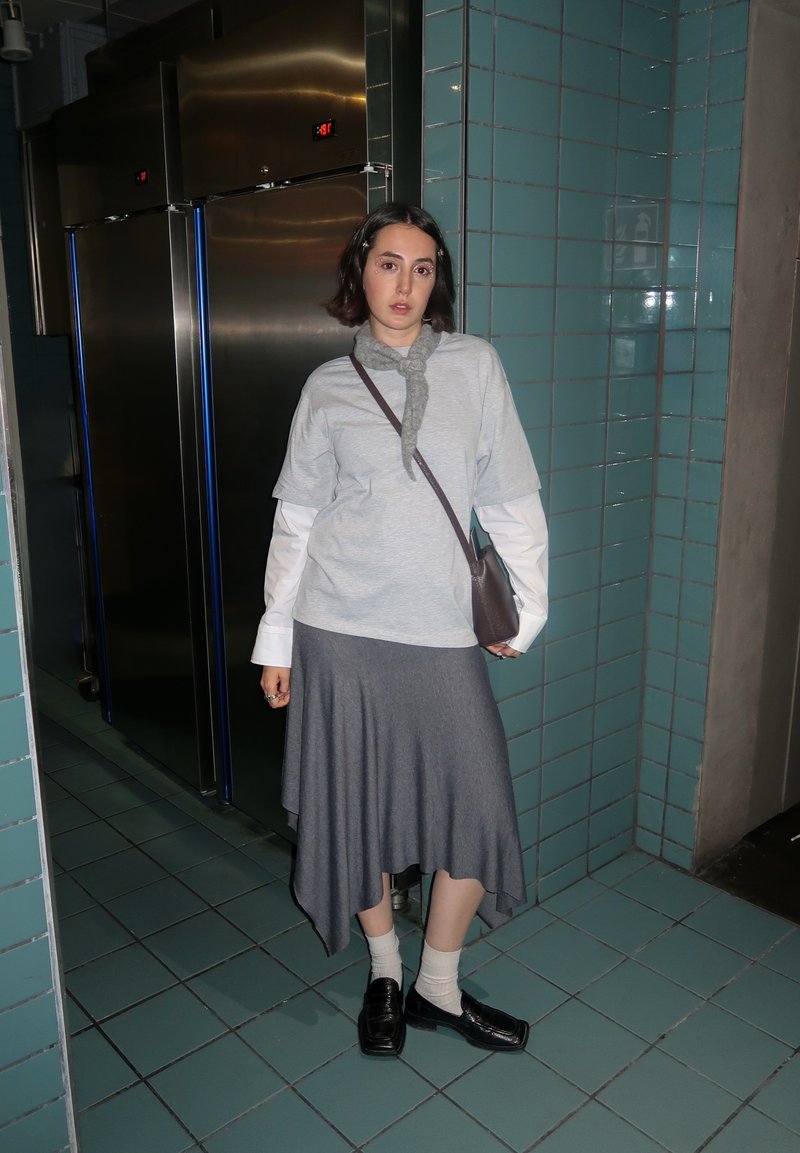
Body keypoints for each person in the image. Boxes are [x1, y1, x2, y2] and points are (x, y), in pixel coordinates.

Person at [251, 203, 548, 1058]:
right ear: (361, 272)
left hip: (441, 632)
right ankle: (388, 972)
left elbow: (511, 499)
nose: (404, 284)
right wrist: (278, 639)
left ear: (437, 281)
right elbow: (298, 521)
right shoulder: (327, 388)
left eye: (422, 268)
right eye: (388, 264)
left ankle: (439, 984)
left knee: (480, 804)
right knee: (356, 808)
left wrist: (525, 609)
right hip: (338, 629)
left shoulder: (476, 367)